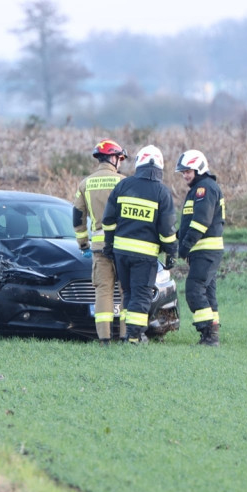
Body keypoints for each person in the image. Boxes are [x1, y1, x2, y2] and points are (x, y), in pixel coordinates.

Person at [101, 146, 178, 345]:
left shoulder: (124, 185)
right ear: (160, 167)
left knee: (128, 293)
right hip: (144, 255)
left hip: (121, 253)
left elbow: (108, 220)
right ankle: (134, 337)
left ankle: (130, 334)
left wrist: (109, 245)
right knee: (141, 295)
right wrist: (171, 253)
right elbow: (167, 230)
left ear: (138, 163)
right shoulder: (162, 192)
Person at [73, 140, 128, 344]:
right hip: (123, 246)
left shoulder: (85, 183)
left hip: (98, 248)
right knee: (125, 291)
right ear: (113, 158)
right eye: (120, 159)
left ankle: (104, 339)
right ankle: (125, 336)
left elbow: (77, 216)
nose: (120, 162)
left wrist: (83, 244)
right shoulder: (123, 182)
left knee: (103, 291)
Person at [175, 149, 225, 347]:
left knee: (194, 290)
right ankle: (211, 335)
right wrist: (174, 237)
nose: (185, 175)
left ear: (199, 168)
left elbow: (200, 223)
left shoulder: (205, 189)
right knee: (207, 292)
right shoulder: (199, 189)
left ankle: (208, 334)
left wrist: (184, 247)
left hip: (205, 250)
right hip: (204, 250)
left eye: (188, 171)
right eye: (183, 172)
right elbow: (189, 224)